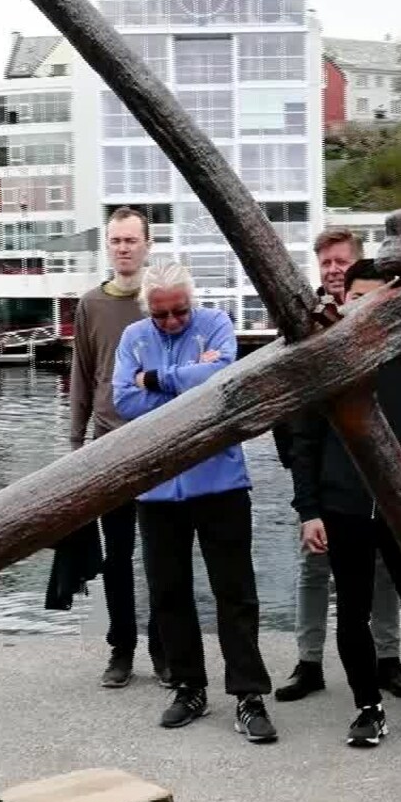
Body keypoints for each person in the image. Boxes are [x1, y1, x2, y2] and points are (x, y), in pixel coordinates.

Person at [290, 260, 401, 747]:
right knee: (353, 611)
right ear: (345, 301)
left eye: (375, 298)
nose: (365, 308)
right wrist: (309, 510)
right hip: (345, 505)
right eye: (357, 299)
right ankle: (368, 709)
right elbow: (305, 442)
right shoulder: (326, 363)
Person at [113, 262, 277, 743]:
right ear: (148, 309)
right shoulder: (131, 338)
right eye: (161, 315)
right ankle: (188, 685)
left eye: (179, 313)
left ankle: (249, 692)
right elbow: (123, 401)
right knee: (169, 591)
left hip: (220, 481)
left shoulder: (218, 325)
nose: (170, 323)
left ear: (193, 302)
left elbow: (221, 385)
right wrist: (188, 378)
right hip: (158, 486)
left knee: (236, 592)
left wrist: (155, 379)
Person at [272, 227, 401, 703]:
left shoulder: (383, 321)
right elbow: (284, 398)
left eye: (340, 261)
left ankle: (388, 658)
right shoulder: (301, 324)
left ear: (358, 264)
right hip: (321, 474)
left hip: (377, 476)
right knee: (315, 567)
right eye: (325, 262)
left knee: (385, 570)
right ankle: (309, 662)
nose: (332, 269)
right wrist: (301, 479)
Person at [70, 207, 164, 689]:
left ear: (147, 245)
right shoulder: (90, 305)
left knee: (162, 552)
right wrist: (75, 443)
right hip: (108, 444)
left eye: (131, 240)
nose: (123, 248)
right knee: (118, 554)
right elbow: (82, 376)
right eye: (116, 240)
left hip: (162, 444)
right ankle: (122, 647)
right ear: (108, 246)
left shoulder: (163, 303)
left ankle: (165, 648)